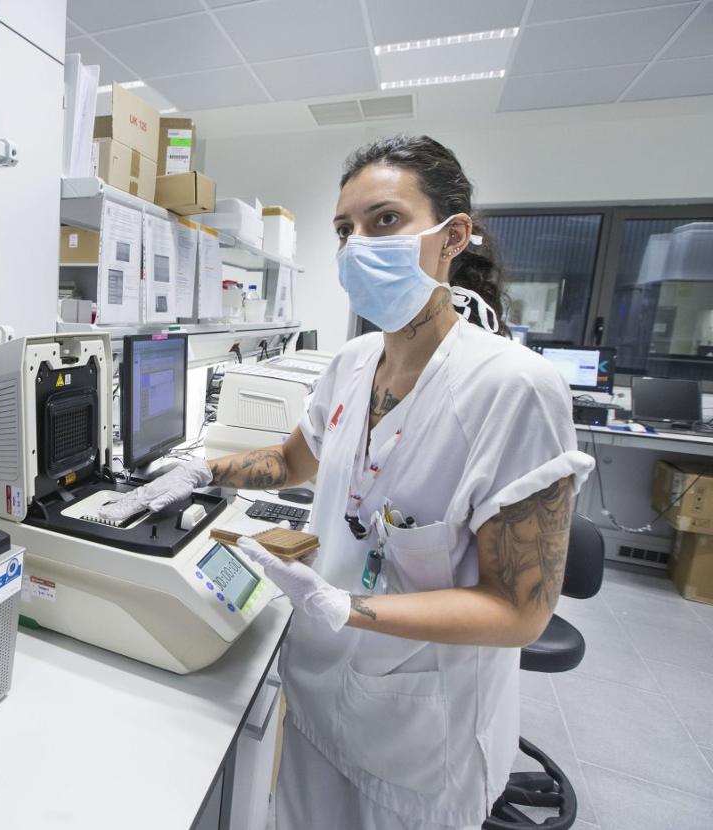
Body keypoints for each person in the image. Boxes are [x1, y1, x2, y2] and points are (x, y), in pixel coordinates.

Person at [100, 135, 594, 829]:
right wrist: (199, 470)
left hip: (424, 737)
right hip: (322, 692)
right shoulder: (353, 362)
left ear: (451, 236)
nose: (357, 245)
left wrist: (347, 608)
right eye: (344, 229)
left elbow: (520, 611)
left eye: (384, 220)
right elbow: (295, 460)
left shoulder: (514, 389)